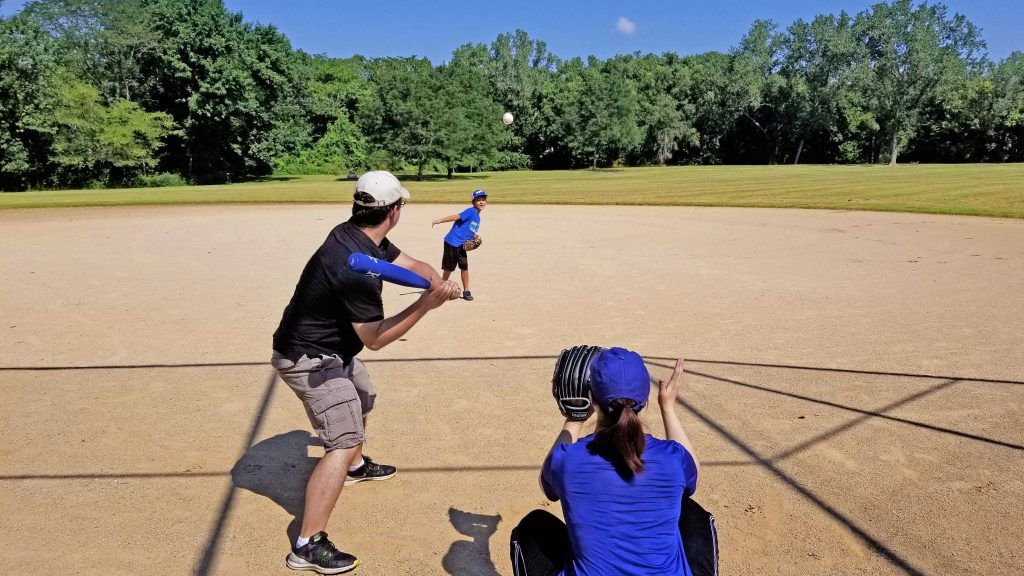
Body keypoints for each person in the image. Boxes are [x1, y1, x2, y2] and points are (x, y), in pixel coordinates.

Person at [271, 170, 461, 574]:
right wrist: (426, 306)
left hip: (334, 349)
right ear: (393, 212)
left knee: (363, 397)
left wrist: (440, 281)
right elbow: (375, 338)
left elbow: (412, 264)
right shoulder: (353, 268)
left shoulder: (357, 235)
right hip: (310, 359)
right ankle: (306, 545)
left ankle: (355, 468)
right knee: (342, 439)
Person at [510, 347, 715, 576]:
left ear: (593, 398)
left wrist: (574, 418)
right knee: (692, 511)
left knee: (533, 525)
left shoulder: (568, 460)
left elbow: (545, 485)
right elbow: (693, 475)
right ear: (644, 400)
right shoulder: (672, 458)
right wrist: (668, 408)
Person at [431, 189, 488, 301]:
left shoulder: (477, 216)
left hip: (462, 245)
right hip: (452, 242)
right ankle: (441, 289)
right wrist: (439, 220)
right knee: (449, 268)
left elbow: (468, 228)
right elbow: (456, 217)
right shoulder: (471, 211)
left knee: (464, 267)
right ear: (473, 202)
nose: (481, 202)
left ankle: (466, 291)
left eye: (483, 200)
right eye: (478, 200)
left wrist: (475, 235)